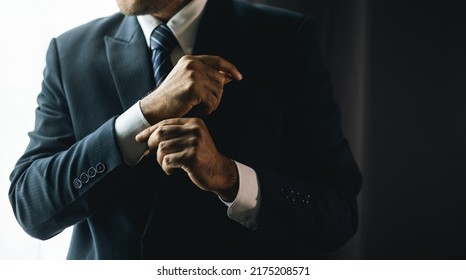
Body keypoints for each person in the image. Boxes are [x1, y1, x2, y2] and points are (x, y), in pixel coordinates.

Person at [9, 0, 362, 259]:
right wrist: (144, 113)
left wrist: (230, 178)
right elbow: (32, 207)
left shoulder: (285, 39)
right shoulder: (68, 52)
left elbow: (337, 213)